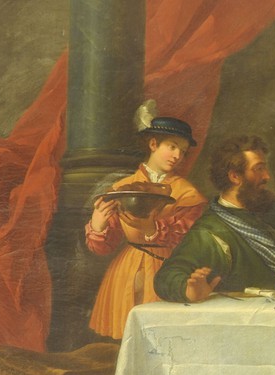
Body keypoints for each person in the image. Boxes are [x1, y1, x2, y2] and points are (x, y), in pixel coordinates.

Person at [86, 105, 206, 339]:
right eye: (172, 147)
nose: (177, 156)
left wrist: (153, 230)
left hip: (169, 268)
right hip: (125, 271)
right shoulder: (122, 187)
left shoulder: (188, 192)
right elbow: (103, 247)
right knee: (127, 339)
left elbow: (190, 237)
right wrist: (98, 225)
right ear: (153, 144)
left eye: (182, 151)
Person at [154, 135, 275, 303]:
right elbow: (166, 277)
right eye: (258, 169)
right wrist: (188, 290)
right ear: (235, 177)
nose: (267, 176)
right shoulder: (209, 231)